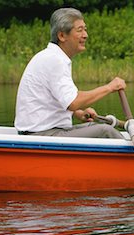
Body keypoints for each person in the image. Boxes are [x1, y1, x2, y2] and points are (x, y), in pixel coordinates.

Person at [15, 7, 125, 138]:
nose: (85, 35)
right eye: (80, 30)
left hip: (45, 131)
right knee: (105, 131)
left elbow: (59, 100)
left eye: (85, 29)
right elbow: (73, 102)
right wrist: (110, 87)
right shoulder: (54, 60)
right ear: (62, 36)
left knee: (95, 127)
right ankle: (131, 158)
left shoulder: (54, 56)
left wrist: (78, 113)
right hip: (40, 135)